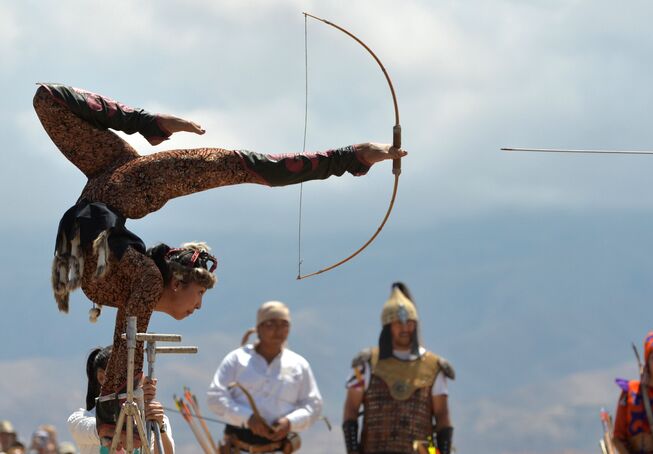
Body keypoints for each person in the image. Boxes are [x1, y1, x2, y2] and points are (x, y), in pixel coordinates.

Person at [33, 82, 404, 435]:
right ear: (177, 281)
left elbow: (47, 99)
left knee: (141, 288)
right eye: (200, 294)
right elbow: (258, 166)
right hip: (93, 243)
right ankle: (113, 407)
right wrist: (352, 157)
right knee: (231, 175)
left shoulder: (117, 183)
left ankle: (114, 404)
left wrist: (146, 123)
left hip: (89, 247)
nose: (198, 306)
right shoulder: (148, 182)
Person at [342, 282, 454, 454]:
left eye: (409, 323)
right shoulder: (365, 365)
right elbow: (351, 410)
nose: (405, 328)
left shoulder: (434, 367)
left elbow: (442, 418)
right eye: (398, 323)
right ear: (388, 326)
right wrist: (353, 451)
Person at [207, 301, 322, 453]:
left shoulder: (299, 365)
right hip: (238, 448)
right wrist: (247, 418)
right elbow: (215, 397)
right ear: (259, 328)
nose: (278, 330)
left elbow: (313, 405)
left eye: (284, 324)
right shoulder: (237, 359)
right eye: (271, 324)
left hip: (279, 449)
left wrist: (289, 422)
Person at [68, 346, 175, 454]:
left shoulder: (156, 418)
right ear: (102, 378)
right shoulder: (79, 419)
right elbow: (104, 430)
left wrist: (160, 427)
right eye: (126, 374)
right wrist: (137, 399)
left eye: (136, 373)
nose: (133, 379)